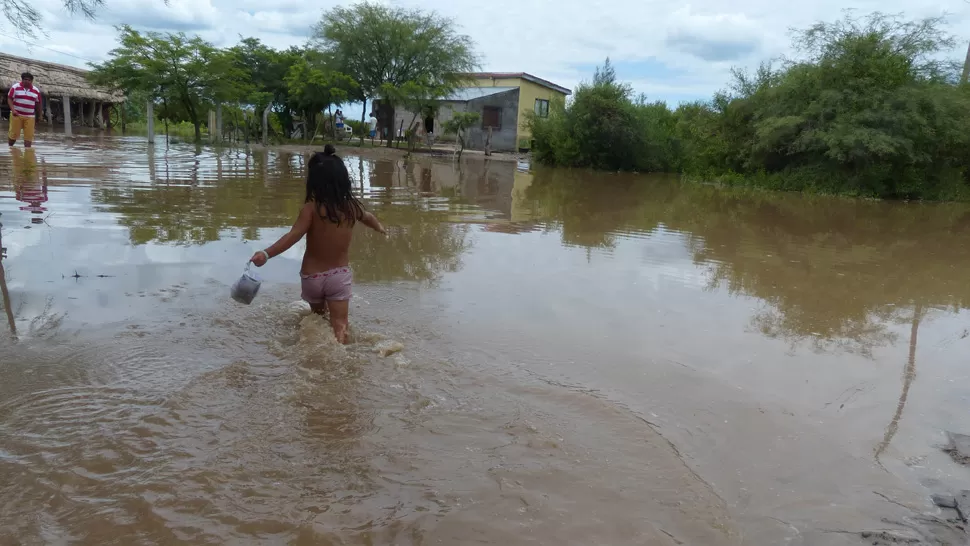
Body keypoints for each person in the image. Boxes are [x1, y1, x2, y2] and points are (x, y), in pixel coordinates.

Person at [250, 144, 386, 343]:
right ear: (343, 180)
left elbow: (292, 236)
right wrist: (379, 227)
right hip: (338, 276)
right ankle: (340, 358)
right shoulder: (351, 208)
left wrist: (266, 254)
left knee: (318, 320)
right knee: (340, 325)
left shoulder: (311, 209)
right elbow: (369, 217)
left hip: (312, 277)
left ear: (313, 182)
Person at [7, 72, 41, 148]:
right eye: (25, 79)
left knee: (29, 139)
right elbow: (9, 99)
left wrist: (39, 116)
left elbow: (38, 104)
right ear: (22, 80)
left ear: (32, 81)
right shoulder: (15, 87)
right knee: (13, 136)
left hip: (30, 116)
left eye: (29, 80)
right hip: (16, 115)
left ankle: (27, 156)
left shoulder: (36, 91)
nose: (27, 81)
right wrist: (13, 110)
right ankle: (10, 150)